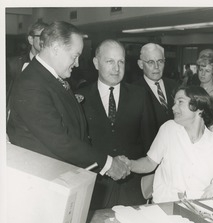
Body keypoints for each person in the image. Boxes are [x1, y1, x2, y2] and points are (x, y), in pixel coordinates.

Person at [7, 21, 129, 183]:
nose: (77, 63)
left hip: (62, 176)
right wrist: (108, 163)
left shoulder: (52, 78)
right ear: (56, 48)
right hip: (45, 183)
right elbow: (60, 141)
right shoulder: (32, 84)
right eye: (75, 56)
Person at [120, 86, 213, 203]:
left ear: (199, 108)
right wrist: (130, 164)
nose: (173, 107)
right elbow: (150, 163)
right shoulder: (168, 129)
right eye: (174, 102)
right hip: (165, 205)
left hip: (199, 208)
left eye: (180, 102)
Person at [77, 40, 156, 209]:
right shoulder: (80, 98)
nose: (116, 68)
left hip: (133, 187)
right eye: (110, 61)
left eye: (121, 62)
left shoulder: (139, 95)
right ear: (96, 63)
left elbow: (151, 144)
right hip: (96, 187)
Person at [134, 43, 178, 138]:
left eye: (160, 61)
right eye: (151, 62)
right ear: (141, 64)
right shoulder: (134, 91)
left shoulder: (174, 86)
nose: (156, 66)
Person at [6, 20, 49, 113]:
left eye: (48, 37)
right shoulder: (13, 64)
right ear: (31, 39)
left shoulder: (54, 66)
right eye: (42, 37)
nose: (45, 41)